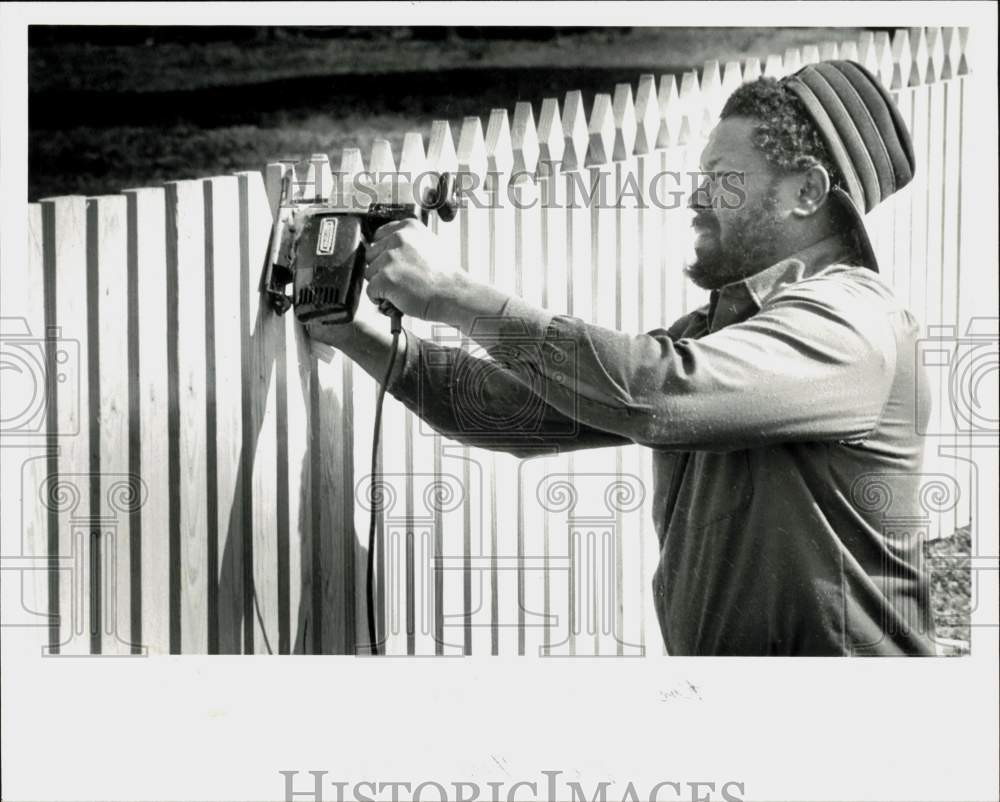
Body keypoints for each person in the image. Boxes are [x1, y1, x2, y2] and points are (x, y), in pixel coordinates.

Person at [307, 60, 938, 656]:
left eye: (722, 180)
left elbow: (655, 393)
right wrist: (354, 329)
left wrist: (452, 294)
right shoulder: (733, 331)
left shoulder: (853, 326)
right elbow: (509, 412)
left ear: (806, 191)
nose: (694, 199)